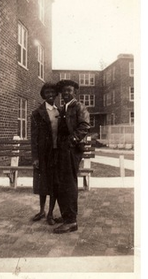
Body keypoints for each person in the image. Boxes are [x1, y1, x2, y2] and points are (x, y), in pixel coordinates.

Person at [53, 79, 90, 234]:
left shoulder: (79, 107)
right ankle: (66, 215)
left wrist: (71, 141)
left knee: (69, 183)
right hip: (61, 150)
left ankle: (71, 221)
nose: (66, 93)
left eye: (69, 90)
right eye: (63, 92)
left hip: (71, 150)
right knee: (61, 182)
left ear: (75, 92)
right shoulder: (63, 109)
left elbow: (84, 126)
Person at [31, 82, 62, 225]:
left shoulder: (60, 112)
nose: (50, 95)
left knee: (54, 184)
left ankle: (50, 213)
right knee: (43, 183)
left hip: (57, 154)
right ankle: (42, 210)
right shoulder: (37, 113)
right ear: (43, 95)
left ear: (56, 94)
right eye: (47, 93)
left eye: (53, 93)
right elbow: (34, 137)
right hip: (43, 155)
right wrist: (35, 157)